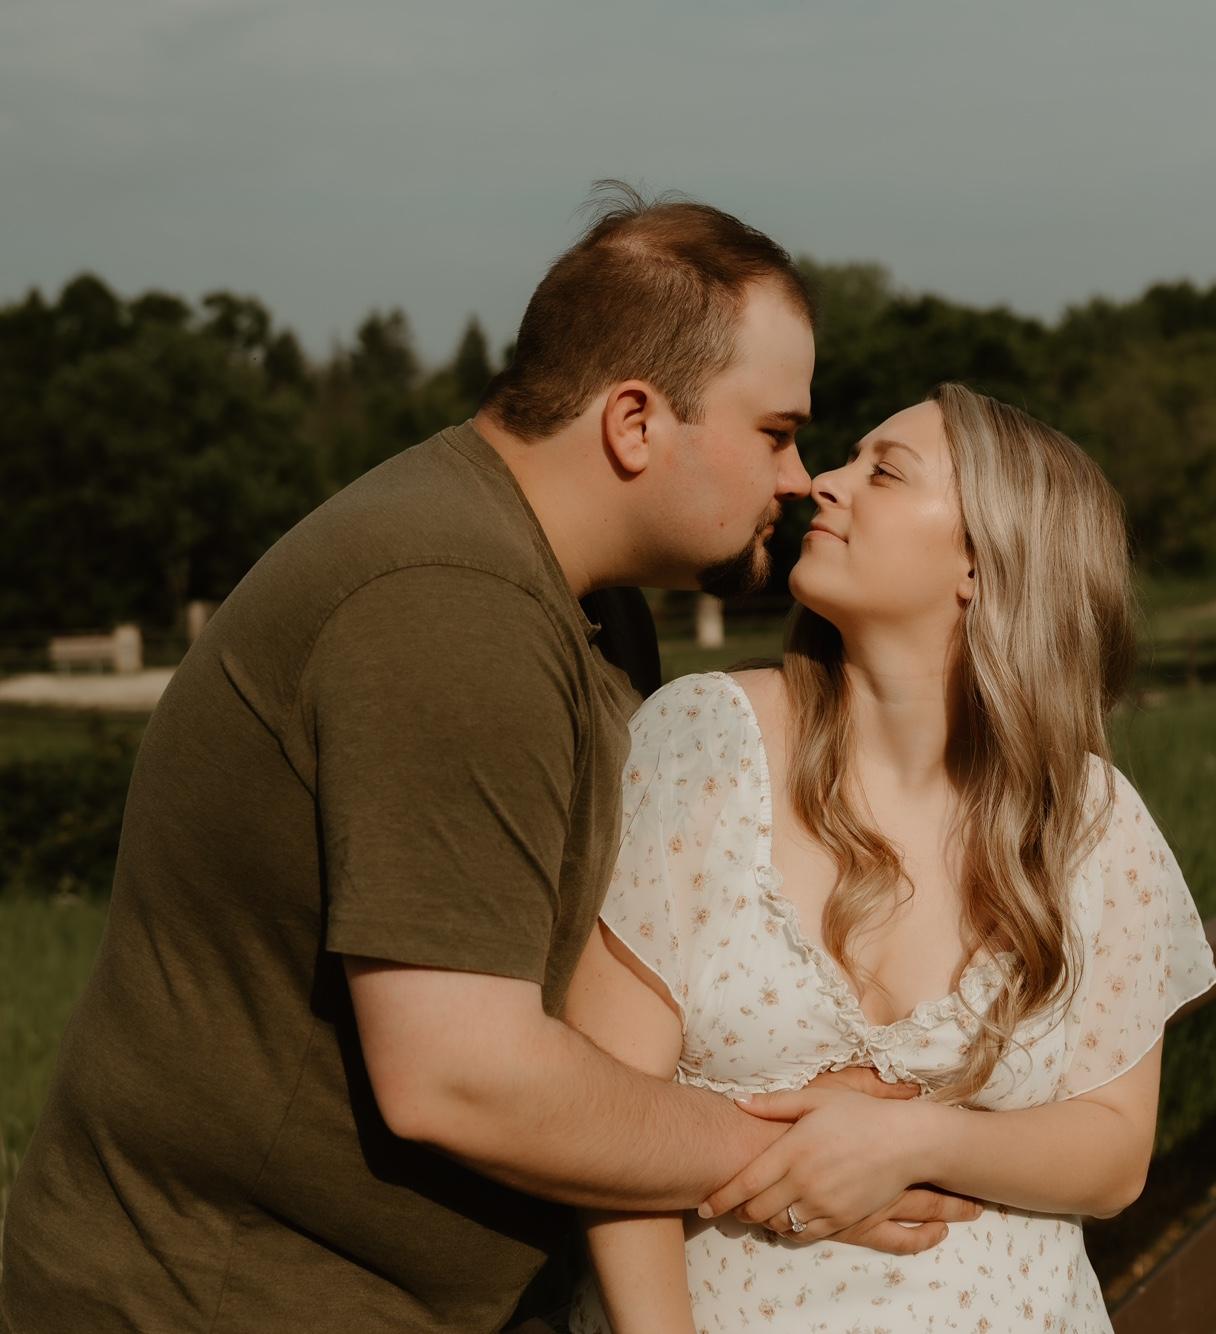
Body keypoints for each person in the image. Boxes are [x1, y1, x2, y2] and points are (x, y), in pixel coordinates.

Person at [0, 189, 977, 1334]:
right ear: (633, 421)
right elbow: (459, 1074)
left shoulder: (588, 604)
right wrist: (796, 1152)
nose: (797, 477)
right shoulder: (449, 611)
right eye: (773, 431)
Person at [564, 383, 1216, 1332]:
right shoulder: (704, 743)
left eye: (886, 472)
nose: (823, 483)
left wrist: (912, 1139)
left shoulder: (1089, 818)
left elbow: (1115, 1153)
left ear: (982, 563)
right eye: (848, 459)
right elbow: (605, 1114)